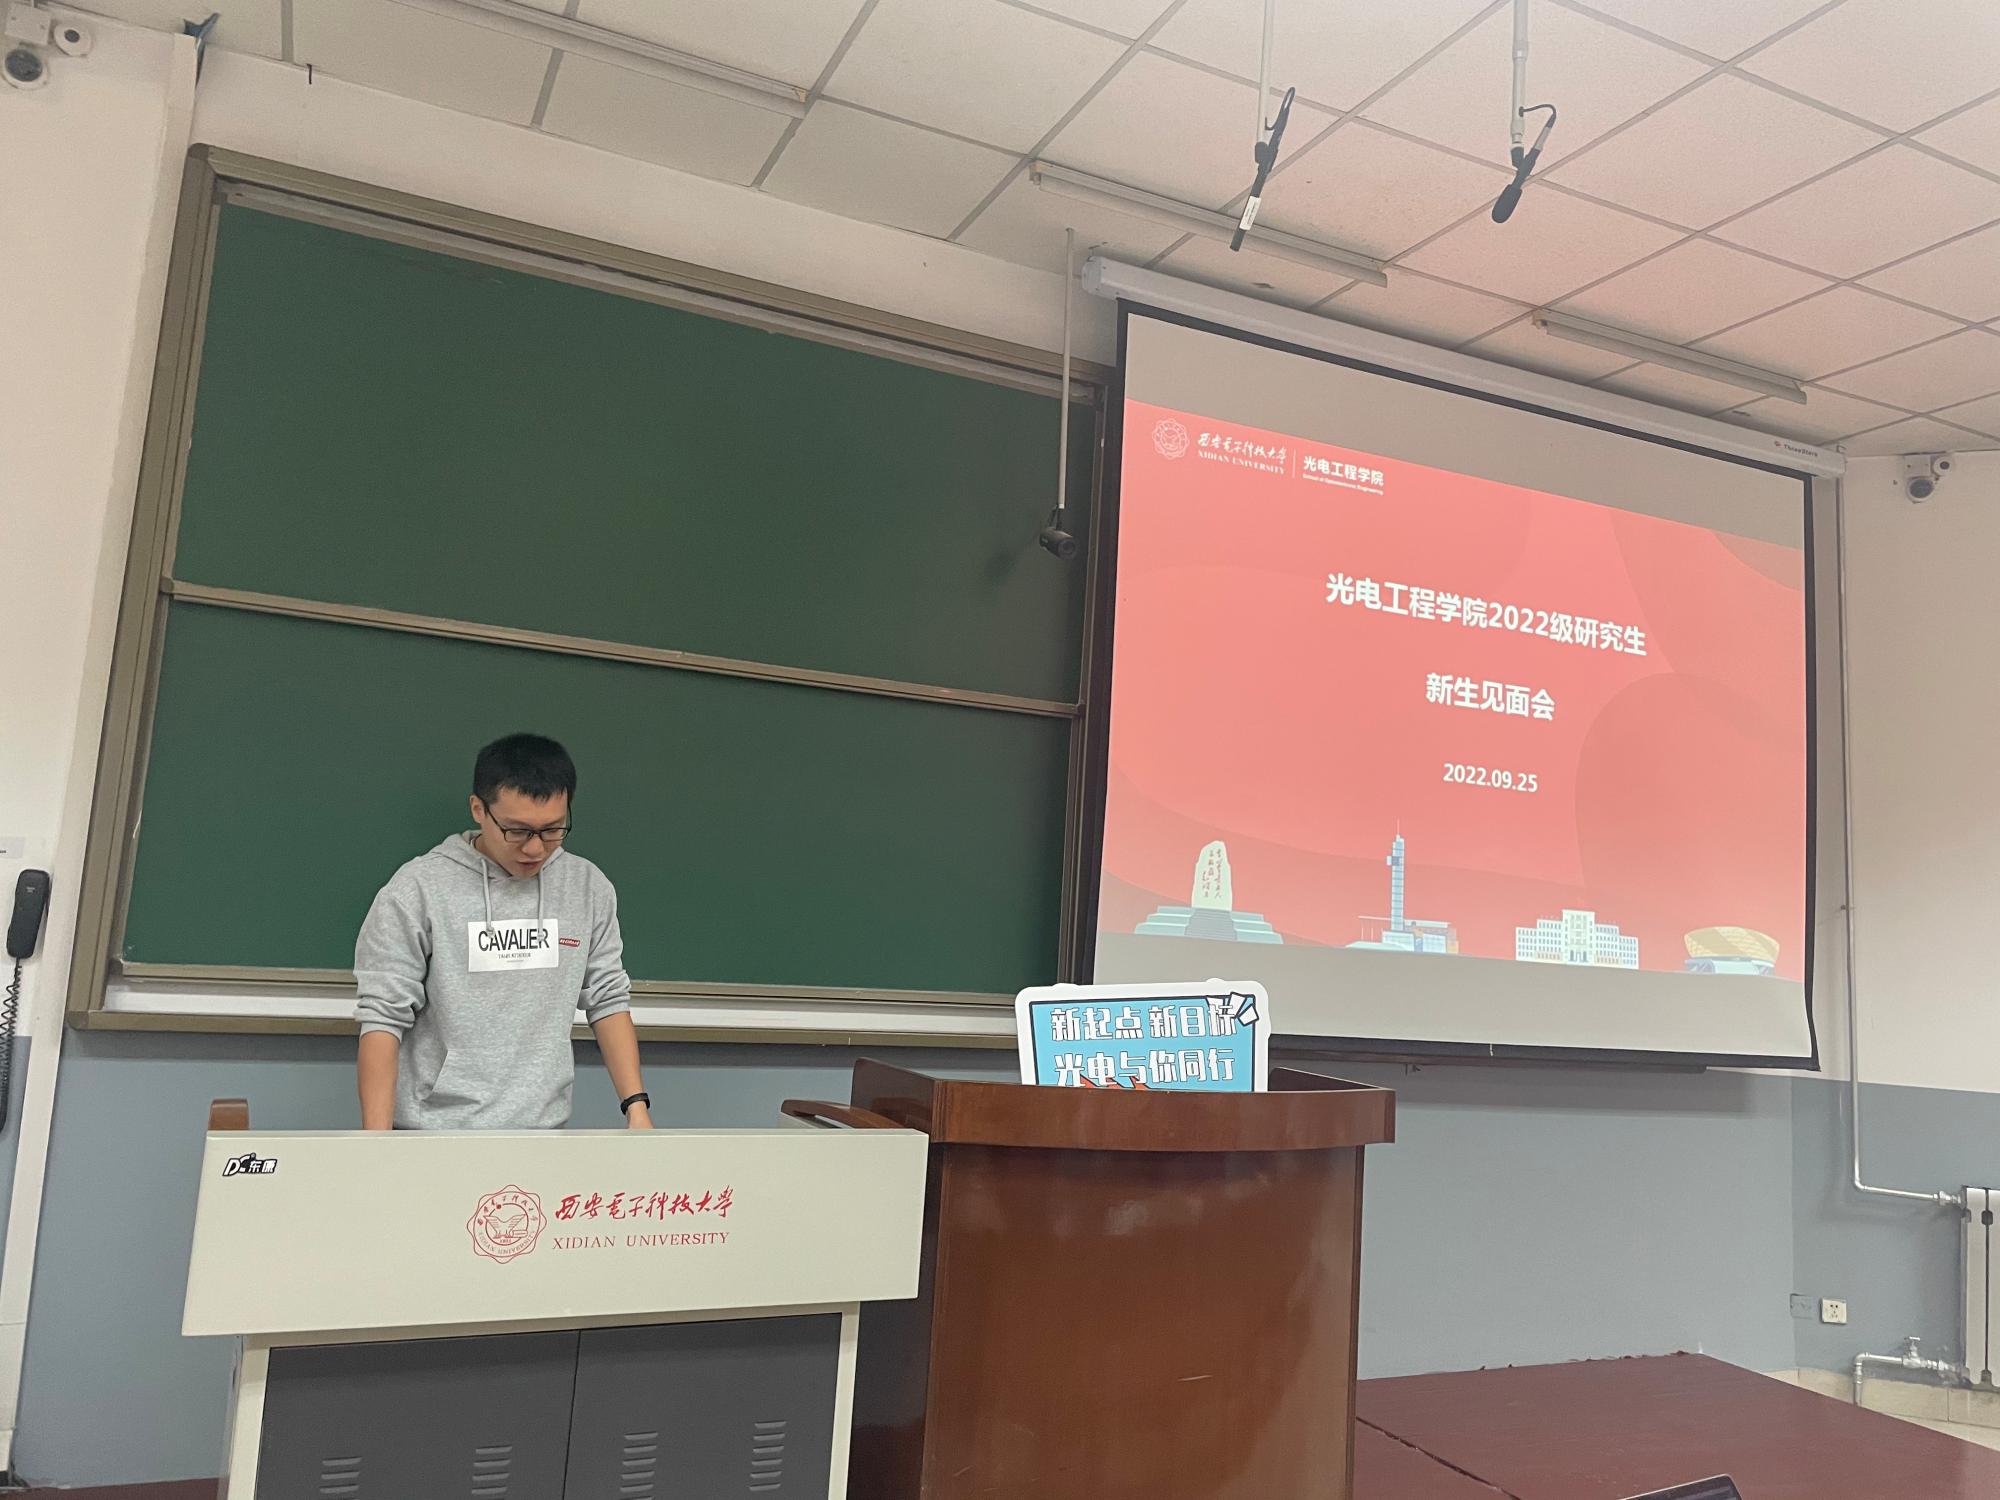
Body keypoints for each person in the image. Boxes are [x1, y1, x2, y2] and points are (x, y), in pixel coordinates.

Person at [354, 733, 652, 1131]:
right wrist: (376, 1143)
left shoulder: (586, 887)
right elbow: (382, 1017)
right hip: (433, 1133)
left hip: (544, 1132)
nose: (535, 849)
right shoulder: (418, 889)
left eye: (552, 830)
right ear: (479, 809)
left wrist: (636, 1108)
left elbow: (608, 997)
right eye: (517, 831)